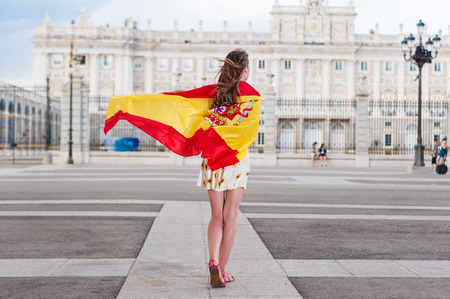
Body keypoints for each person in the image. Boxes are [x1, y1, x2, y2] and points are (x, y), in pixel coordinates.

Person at [196, 49, 257, 288]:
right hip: (236, 160)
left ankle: (212, 260)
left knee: (216, 216)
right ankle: (222, 270)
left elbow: (199, 119)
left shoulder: (213, 94)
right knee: (230, 216)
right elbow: (250, 131)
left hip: (213, 159)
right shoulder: (251, 97)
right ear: (245, 71)